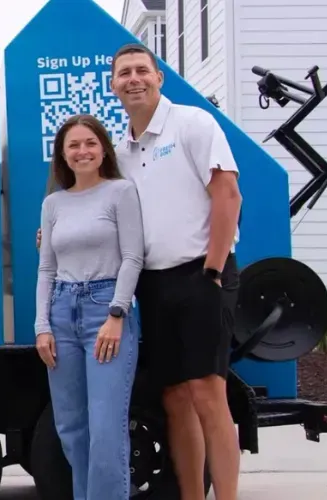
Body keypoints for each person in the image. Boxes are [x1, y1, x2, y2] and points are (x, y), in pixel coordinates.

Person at [110, 42, 243, 500]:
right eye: (124, 73)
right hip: (155, 282)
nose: (134, 79)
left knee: (208, 392)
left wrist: (212, 270)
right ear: (113, 86)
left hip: (205, 273)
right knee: (175, 398)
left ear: (159, 77)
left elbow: (228, 195)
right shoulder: (119, 150)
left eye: (141, 70)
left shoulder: (192, 123)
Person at [35, 113, 145, 499]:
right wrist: (42, 326)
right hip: (62, 312)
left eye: (90, 143)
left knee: (105, 427)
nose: (82, 151)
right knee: (71, 428)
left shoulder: (120, 192)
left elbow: (133, 257)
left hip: (106, 309)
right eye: (73, 146)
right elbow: (46, 267)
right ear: (63, 156)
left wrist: (117, 314)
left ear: (103, 150)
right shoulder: (53, 204)